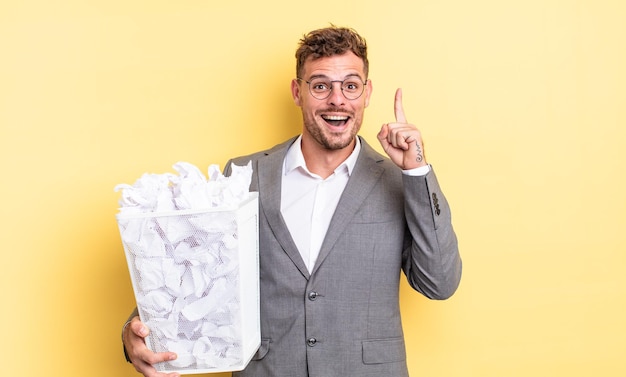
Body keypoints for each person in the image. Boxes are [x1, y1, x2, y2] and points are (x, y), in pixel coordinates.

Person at [122, 25, 462, 377]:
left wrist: (417, 172)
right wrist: (138, 330)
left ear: (367, 92)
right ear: (297, 92)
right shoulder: (243, 174)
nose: (337, 99)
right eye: (320, 85)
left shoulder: (398, 179)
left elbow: (439, 283)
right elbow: (191, 274)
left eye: (350, 85)